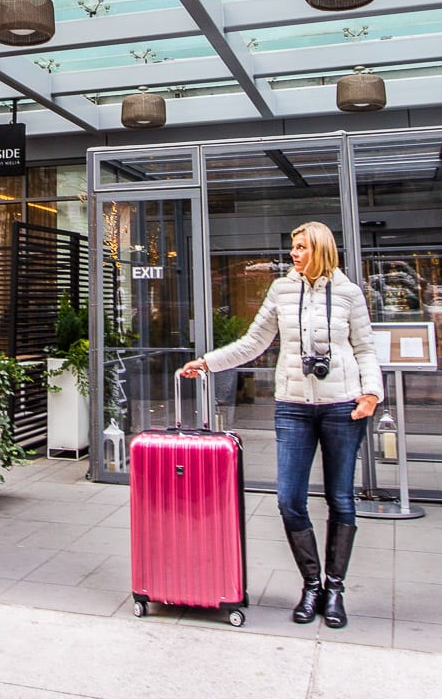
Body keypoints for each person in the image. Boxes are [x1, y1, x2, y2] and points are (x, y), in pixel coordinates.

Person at [182, 221, 383, 629]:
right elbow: (253, 342)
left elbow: (364, 348)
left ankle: (335, 588)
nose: (294, 253)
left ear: (321, 250)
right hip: (292, 407)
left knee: (340, 498)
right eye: (293, 246)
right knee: (289, 499)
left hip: (343, 407)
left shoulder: (348, 293)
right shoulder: (281, 290)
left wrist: (371, 394)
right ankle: (312, 584)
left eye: (302, 247)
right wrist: (207, 362)